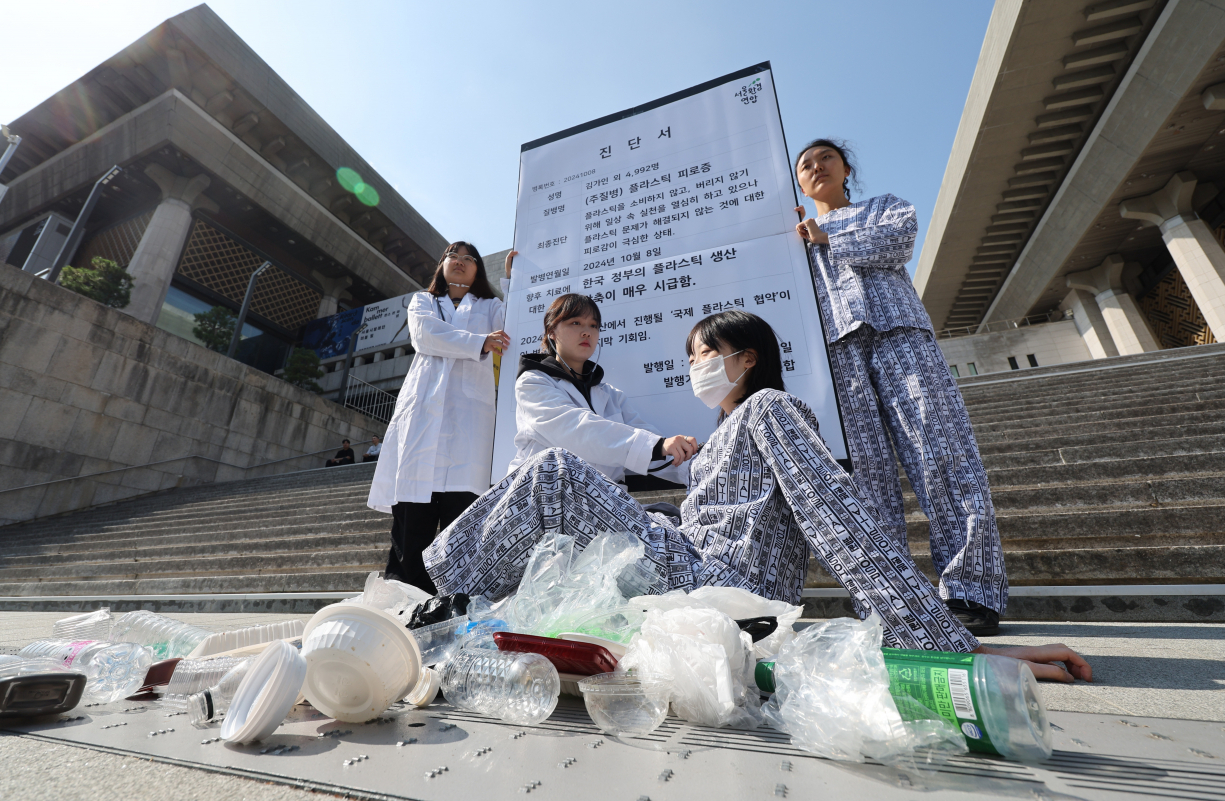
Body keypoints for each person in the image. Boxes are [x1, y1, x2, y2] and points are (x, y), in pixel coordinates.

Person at [424, 310, 1089, 681]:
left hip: (730, 592)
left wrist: (948, 646)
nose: (694, 367)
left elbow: (838, 516)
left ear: (746, 358)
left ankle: (438, 601)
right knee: (588, 509)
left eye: (703, 353)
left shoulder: (769, 407)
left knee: (556, 472)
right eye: (690, 358)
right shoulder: (721, 436)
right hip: (695, 576)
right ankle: (466, 612)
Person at [794, 138, 1007, 635]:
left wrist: (827, 238)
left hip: (900, 335)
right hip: (837, 353)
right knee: (864, 480)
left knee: (943, 452)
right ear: (799, 184)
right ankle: (885, 598)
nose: (817, 166)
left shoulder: (882, 208)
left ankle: (972, 590)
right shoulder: (793, 239)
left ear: (846, 168)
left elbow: (898, 243)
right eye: (805, 165)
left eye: (826, 158)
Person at [367, 242, 514, 593]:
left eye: (468, 258)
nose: (460, 262)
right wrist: (480, 342)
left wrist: (513, 281)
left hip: (469, 425)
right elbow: (424, 336)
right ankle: (402, 604)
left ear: (479, 269)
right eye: (453, 256)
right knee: (411, 524)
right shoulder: (424, 302)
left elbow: (516, 327)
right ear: (442, 265)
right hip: (421, 419)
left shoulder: (491, 307)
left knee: (461, 524)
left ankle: (453, 604)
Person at [510, 293, 698, 490]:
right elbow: (577, 430)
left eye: (593, 325)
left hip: (604, 505)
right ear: (551, 332)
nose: (587, 332)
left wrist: (698, 466)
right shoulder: (533, 383)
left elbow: (653, 447)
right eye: (575, 323)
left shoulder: (610, 395)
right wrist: (656, 446)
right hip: (547, 500)